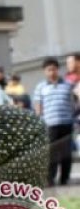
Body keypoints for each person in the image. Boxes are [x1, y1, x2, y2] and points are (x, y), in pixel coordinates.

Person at [33, 57, 75, 186]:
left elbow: (73, 103)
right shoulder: (40, 87)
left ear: (58, 69)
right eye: (49, 70)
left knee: (66, 153)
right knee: (51, 153)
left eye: (54, 69)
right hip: (50, 125)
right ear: (45, 71)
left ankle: (64, 178)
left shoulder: (68, 85)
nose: (52, 72)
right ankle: (50, 179)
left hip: (66, 123)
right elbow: (38, 106)